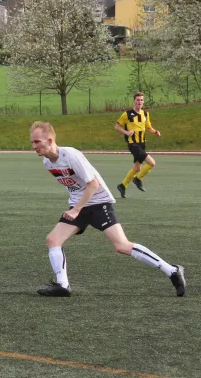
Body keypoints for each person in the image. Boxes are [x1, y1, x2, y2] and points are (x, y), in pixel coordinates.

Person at [29, 121, 185, 297]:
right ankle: (63, 286)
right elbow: (74, 186)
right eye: (32, 143)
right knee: (53, 240)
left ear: (49, 140)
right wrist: (76, 207)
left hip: (98, 202)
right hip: (79, 205)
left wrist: (76, 209)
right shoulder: (48, 163)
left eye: (37, 142)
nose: (34, 146)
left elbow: (93, 184)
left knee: (121, 246)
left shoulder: (70, 155)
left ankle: (172, 270)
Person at [114, 92, 161, 198]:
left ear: (143, 101)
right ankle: (138, 179)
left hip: (142, 143)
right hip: (133, 144)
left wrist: (155, 132)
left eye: (141, 100)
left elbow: (148, 127)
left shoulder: (145, 114)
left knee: (137, 168)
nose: (139, 102)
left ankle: (122, 186)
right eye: (137, 100)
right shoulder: (127, 114)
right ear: (134, 101)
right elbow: (117, 126)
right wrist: (126, 132)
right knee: (152, 163)